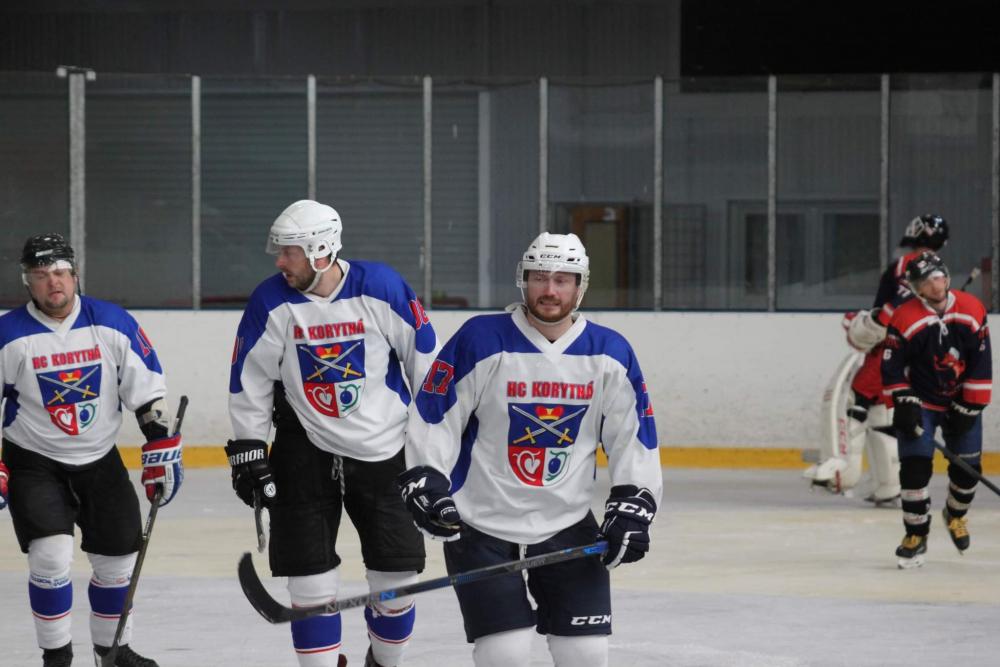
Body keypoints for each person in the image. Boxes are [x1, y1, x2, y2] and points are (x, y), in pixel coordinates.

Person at [398, 232, 662, 666]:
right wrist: (426, 479)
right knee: (505, 654)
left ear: (580, 286)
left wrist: (634, 501)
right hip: (481, 527)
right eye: (540, 277)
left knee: (586, 654)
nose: (549, 290)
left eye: (562, 280)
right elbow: (435, 416)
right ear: (523, 280)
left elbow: (634, 436)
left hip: (567, 525)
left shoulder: (609, 352)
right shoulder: (482, 338)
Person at [227, 200, 439, 667]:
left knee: (396, 580)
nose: (280, 262)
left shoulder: (381, 287)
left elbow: (427, 364)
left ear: (321, 252)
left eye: (290, 252)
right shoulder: (271, 300)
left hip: (386, 447)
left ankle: (383, 662)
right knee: (308, 580)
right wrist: (248, 447)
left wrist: (434, 451)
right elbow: (250, 376)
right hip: (303, 446)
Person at [0, 233, 183, 667]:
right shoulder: (9, 335)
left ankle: (112, 651)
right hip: (34, 461)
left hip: (100, 459)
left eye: (61, 272)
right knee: (50, 557)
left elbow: (146, 393)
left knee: (118, 561)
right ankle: (57, 656)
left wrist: (160, 448)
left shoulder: (111, 322)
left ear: (76, 274)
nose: (54, 282)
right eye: (42, 275)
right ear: (28, 281)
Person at [815, 214, 950, 502]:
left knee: (856, 400)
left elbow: (893, 312)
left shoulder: (908, 264)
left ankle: (842, 471)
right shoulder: (941, 273)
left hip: (890, 350)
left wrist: (864, 326)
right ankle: (891, 485)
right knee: (884, 412)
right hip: (921, 358)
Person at [881, 251, 991, 568]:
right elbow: (891, 366)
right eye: (927, 281)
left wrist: (969, 406)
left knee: (968, 471)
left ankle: (955, 515)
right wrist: (903, 401)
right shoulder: (904, 317)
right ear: (917, 288)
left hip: (961, 399)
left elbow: (981, 362)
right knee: (914, 470)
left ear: (946, 277)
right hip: (921, 402)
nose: (936, 284)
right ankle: (916, 535)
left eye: (939, 276)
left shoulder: (972, 309)